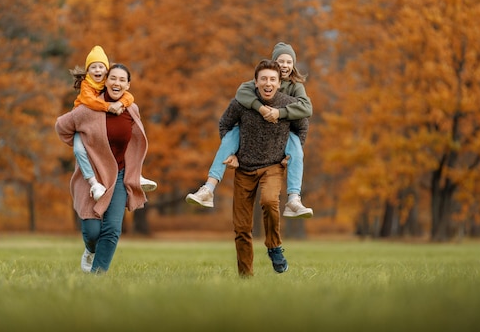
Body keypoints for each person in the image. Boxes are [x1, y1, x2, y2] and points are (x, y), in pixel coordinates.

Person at [186, 42, 312, 218]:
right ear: (273, 62)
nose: (285, 65)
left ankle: (294, 198)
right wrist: (260, 108)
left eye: (289, 62)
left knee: (297, 149)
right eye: (280, 61)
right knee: (231, 135)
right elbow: (241, 93)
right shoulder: (257, 82)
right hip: (252, 131)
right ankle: (208, 188)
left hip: (280, 134)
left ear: (293, 65)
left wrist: (279, 112)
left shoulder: (295, 87)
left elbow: (307, 109)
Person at [219, 59, 309, 277]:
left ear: (279, 83)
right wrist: (231, 154)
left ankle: (274, 246)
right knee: (241, 228)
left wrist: (292, 155)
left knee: (269, 201)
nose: (268, 83)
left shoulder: (288, 103)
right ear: (256, 82)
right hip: (244, 167)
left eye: (272, 79)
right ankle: (246, 277)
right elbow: (225, 124)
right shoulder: (241, 103)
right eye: (263, 79)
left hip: (273, 165)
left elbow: (302, 127)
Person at [56, 63, 149, 274]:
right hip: (92, 178)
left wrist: (135, 170)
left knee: (112, 229)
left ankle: (97, 277)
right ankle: (90, 250)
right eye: (113, 78)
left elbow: (135, 141)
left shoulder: (131, 109)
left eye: (122, 80)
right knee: (92, 231)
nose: (117, 83)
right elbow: (61, 127)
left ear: (128, 84)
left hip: (119, 174)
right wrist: (79, 142)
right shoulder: (88, 109)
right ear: (105, 81)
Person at [71, 46, 157, 202]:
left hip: (99, 124)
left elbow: (129, 96)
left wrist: (121, 104)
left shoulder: (107, 83)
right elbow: (90, 102)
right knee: (78, 150)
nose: (97, 70)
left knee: (129, 143)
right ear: (87, 71)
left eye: (101, 66)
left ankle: (137, 175)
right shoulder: (86, 85)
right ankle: (93, 182)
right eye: (93, 67)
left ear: (106, 70)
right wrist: (109, 107)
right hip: (82, 126)